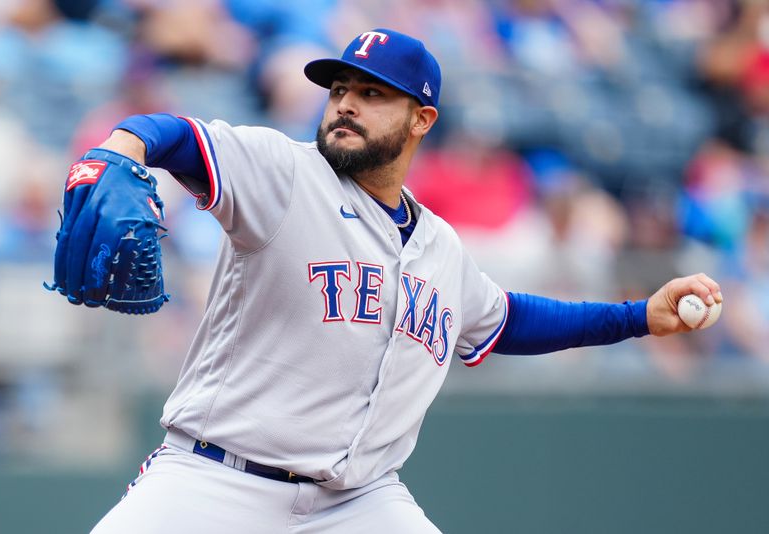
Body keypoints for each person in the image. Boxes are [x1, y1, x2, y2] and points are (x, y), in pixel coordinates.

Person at [85, 28, 722, 533]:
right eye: (339, 89)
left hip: (357, 503)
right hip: (215, 481)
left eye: (373, 94)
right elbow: (173, 135)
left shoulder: (439, 245)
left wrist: (640, 316)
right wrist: (120, 148)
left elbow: (508, 320)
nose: (346, 105)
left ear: (422, 119)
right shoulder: (284, 175)